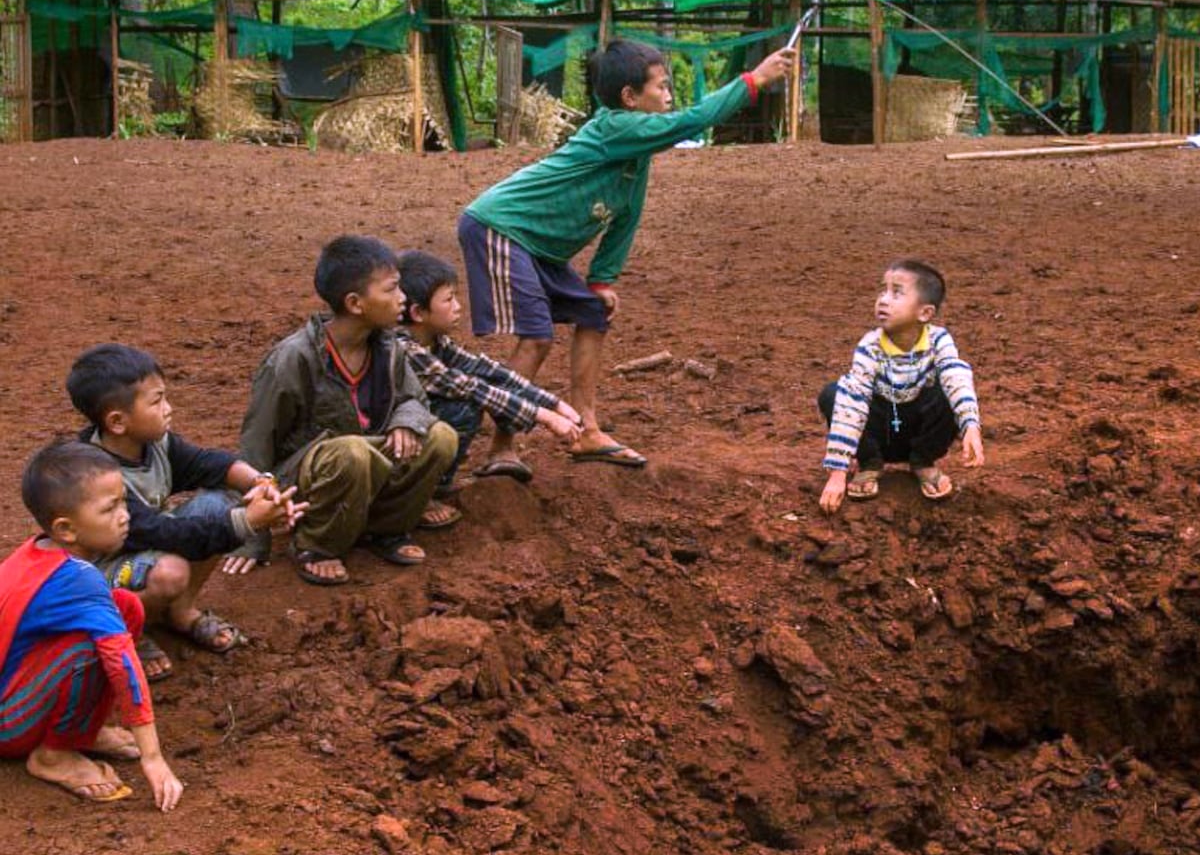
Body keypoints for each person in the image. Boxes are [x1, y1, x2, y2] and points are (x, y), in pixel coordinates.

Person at [458, 39, 795, 474]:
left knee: (592, 312)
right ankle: (501, 447)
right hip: (499, 228)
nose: (669, 94)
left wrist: (602, 280)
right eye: (661, 86)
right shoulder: (614, 127)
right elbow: (690, 121)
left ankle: (587, 430)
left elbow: (625, 218)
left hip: (537, 245)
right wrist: (756, 79)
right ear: (629, 98)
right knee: (537, 336)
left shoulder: (635, 155)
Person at [68, 343, 304, 681]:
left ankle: (180, 611)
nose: (168, 408)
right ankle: (127, 631)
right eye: (156, 401)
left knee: (219, 505)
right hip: (101, 574)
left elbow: (208, 464)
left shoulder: (153, 443)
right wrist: (248, 522)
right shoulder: (96, 476)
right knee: (171, 571)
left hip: (144, 549)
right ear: (118, 422)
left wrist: (261, 483)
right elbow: (165, 534)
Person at [239, 235, 458, 586]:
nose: (402, 299)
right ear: (355, 303)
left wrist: (405, 421)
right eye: (391, 290)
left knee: (440, 436)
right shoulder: (293, 358)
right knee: (352, 452)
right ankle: (316, 545)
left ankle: (386, 529)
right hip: (312, 477)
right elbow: (256, 444)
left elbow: (415, 399)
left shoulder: (388, 346)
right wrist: (252, 533)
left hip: (368, 462)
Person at [0, 441, 183, 810]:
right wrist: (152, 756)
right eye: (109, 507)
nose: (125, 515)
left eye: (122, 500)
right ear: (66, 528)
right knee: (92, 646)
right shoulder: (79, 580)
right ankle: (53, 756)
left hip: (15, 694)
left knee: (125, 606)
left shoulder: (40, 551)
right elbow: (123, 662)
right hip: (9, 724)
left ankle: (81, 731)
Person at [396, 250, 583, 492]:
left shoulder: (434, 340)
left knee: (474, 395)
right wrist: (545, 417)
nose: (458, 307)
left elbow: (485, 370)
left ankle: (432, 484)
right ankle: (427, 491)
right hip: (393, 437)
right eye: (449, 299)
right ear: (418, 313)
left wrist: (554, 404)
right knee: (463, 408)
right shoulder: (405, 350)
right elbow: (472, 388)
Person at [818, 260, 985, 514]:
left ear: (925, 313)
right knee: (835, 393)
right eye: (882, 290)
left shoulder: (939, 340)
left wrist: (970, 425)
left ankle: (922, 461)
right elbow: (852, 401)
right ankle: (870, 463)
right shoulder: (870, 346)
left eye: (897, 293)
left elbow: (955, 376)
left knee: (949, 387)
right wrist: (838, 473)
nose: (884, 300)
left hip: (919, 432)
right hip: (879, 434)